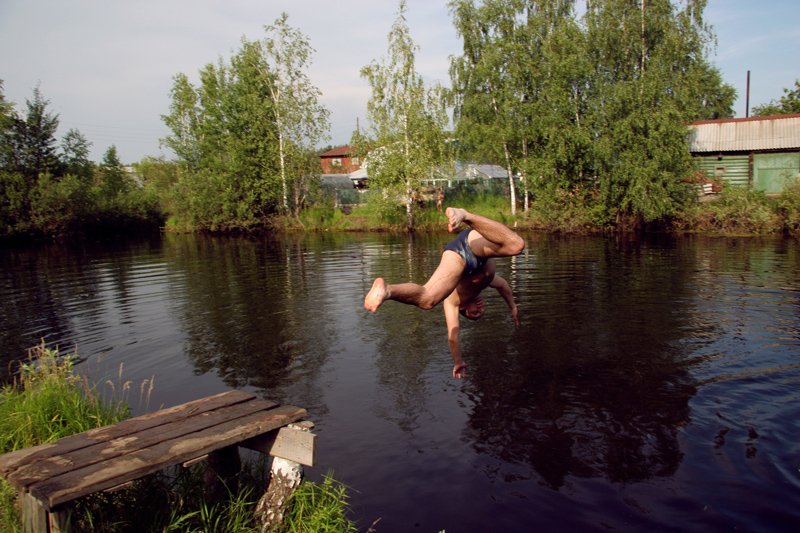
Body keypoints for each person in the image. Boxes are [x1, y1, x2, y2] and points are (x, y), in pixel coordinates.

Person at [364, 207, 524, 379]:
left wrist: (458, 361)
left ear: (463, 308)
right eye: (482, 312)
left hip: (460, 253)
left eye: (475, 313)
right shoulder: (487, 282)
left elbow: (453, 337)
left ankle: (387, 290)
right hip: (472, 250)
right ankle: (386, 290)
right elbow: (504, 286)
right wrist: (513, 307)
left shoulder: (453, 302)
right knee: (516, 245)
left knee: (428, 300)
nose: (480, 309)